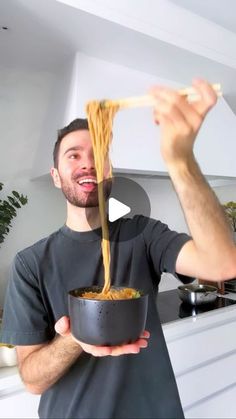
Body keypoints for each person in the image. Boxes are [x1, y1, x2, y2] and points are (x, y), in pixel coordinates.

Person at [1, 79, 236, 419]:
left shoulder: (143, 233)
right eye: (74, 155)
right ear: (55, 175)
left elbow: (222, 263)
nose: (88, 163)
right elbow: (32, 379)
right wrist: (76, 339)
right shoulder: (31, 263)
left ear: (110, 169)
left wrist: (180, 158)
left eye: (99, 153)